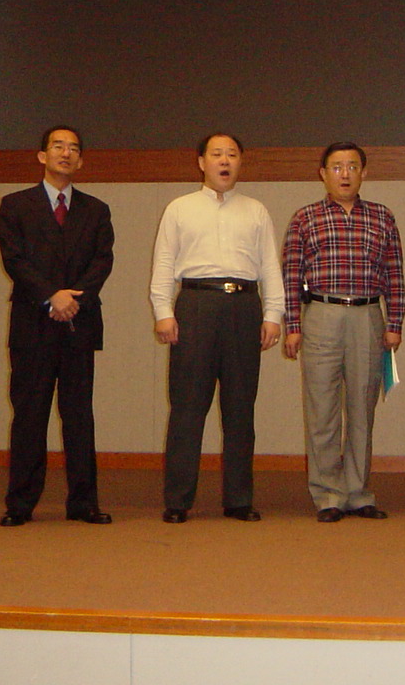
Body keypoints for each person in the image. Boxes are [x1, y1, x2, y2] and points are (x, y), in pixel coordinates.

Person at [150, 133, 283, 523]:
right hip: (195, 305)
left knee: (240, 408)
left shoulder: (256, 211)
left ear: (241, 162)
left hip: (244, 307)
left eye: (232, 155)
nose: (225, 161)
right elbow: (164, 262)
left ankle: (239, 499)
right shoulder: (179, 208)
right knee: (187, 407)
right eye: (217, 154)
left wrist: (273, 314)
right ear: (201, 162)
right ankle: (178, 500)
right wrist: (163, 310)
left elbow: (269, 266)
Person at [0, 126, 115, 527]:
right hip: (33, 323)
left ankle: (83, 502)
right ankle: (20, 503)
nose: (66, 153)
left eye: (74, 149)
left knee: (79, 416)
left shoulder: (96, 210)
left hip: (79, 322)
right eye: (58, 146)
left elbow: (102, 261)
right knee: (29, 415)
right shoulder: (15, 205)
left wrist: (73, 299)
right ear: (42, 156)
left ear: (81, 161)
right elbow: (14, 260)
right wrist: (52, 295)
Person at [282, 142, 405, 522]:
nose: (345, 174)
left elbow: (395, 275)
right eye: (337, 167)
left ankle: (358, 492)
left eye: (352, 166)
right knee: (322, 411)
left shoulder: (382, 217)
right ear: (323, 174)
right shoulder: (305, 218)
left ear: (364, 172)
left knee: (362, 410)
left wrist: (395, 323)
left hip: (367, 316)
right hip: (321, 315)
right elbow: (291, 275)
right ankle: (328, 496)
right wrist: (293, 326)